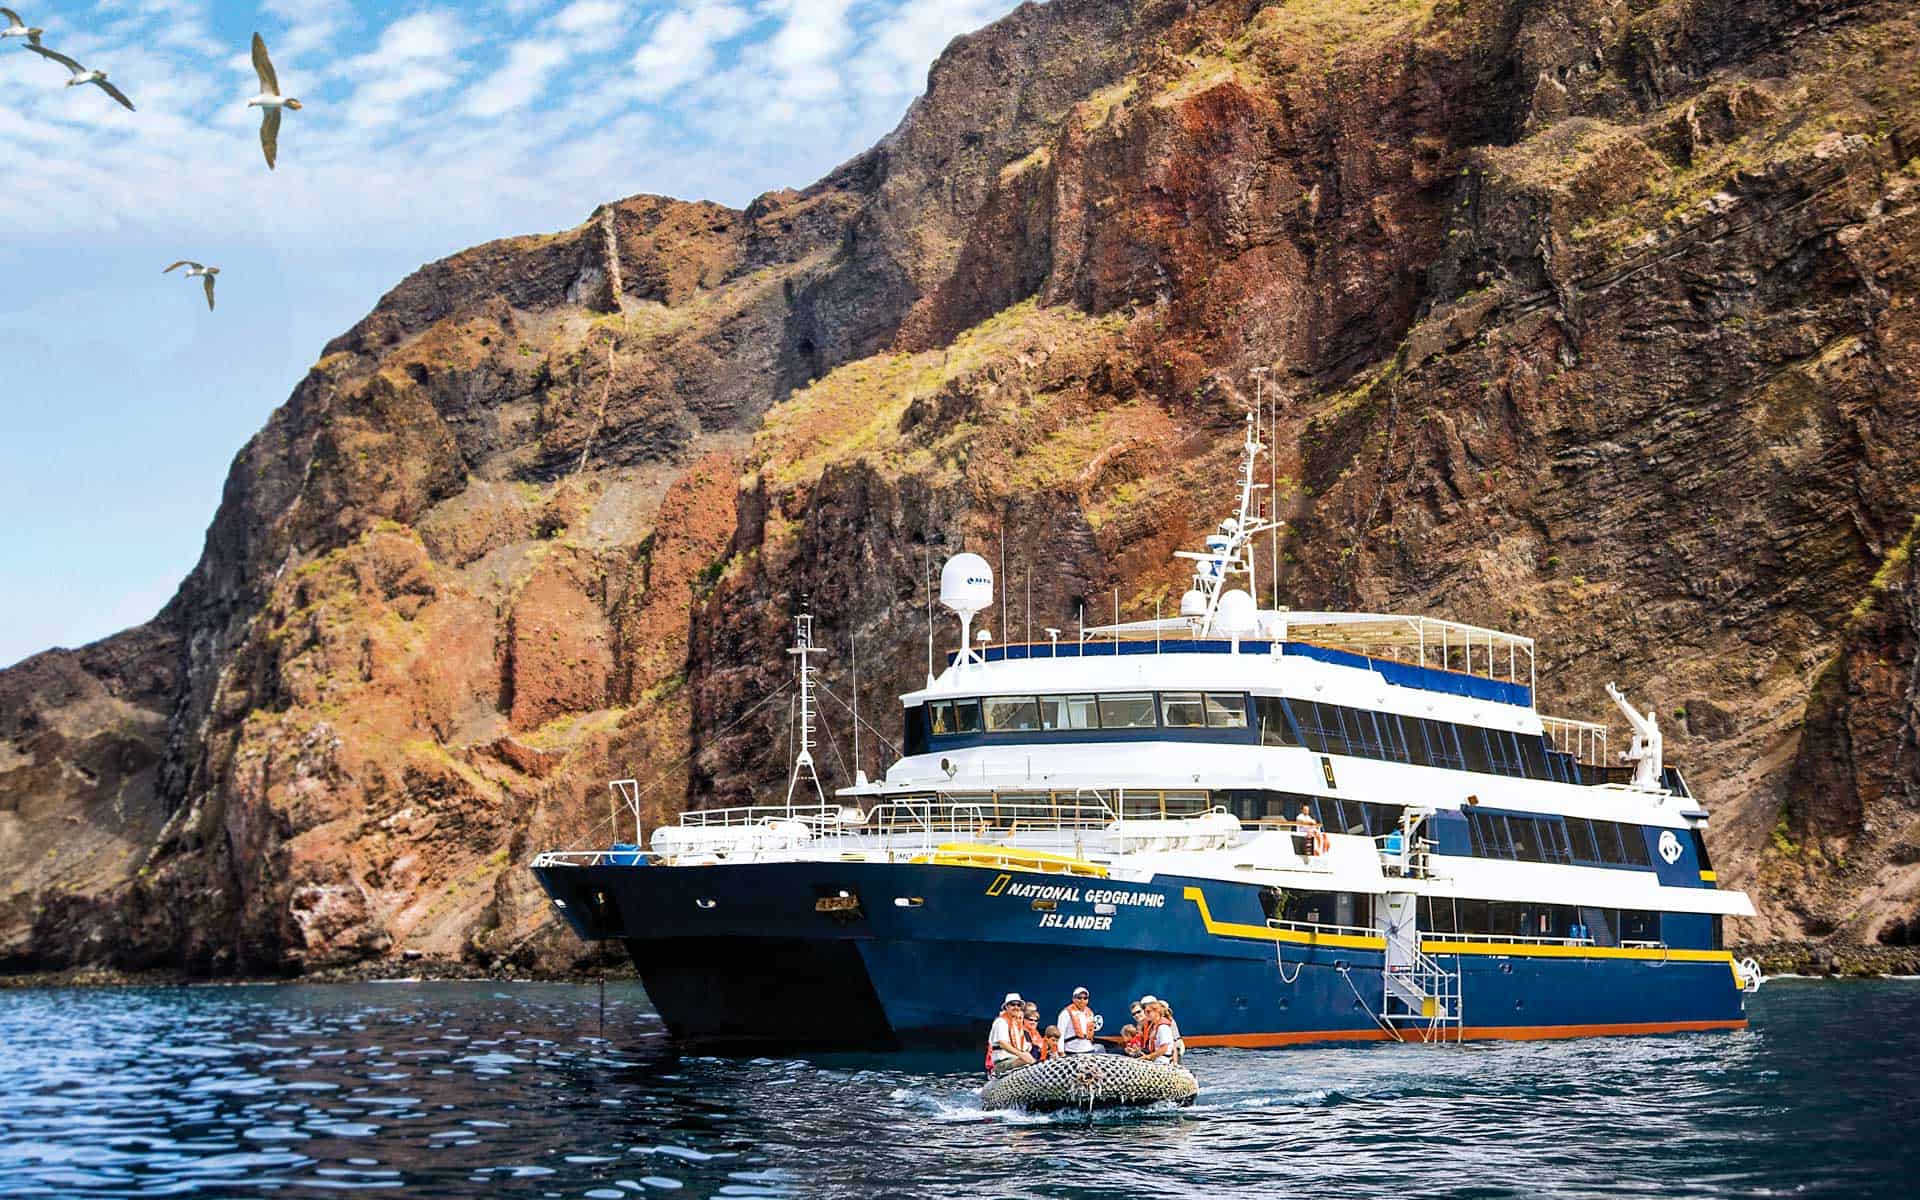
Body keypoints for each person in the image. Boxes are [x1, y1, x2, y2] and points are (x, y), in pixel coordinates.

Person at [986, 993, 1035, 1074]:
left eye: (1019, 1005)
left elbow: (1024, 1047)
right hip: (1002, 1063)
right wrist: (1022, 1055)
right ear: (1006, 1007)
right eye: (1013, 1004)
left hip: (1014, 1060)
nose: (1016, 1007)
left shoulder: (1017, 1025)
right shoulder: (1001, 1022)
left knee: (1031, 1060)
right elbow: (1003, 1044)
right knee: (1027, 1060)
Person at [1056, 986, 1103, 1054]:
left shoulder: (1090, 1012)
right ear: (1073, 999)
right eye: (1079, 998)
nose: (1082, 1000)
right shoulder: (1065, 1013)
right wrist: (1061, 1052)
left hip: (1089, 1050)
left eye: (1085, 998)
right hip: (1071, 1051)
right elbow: (1060, 1034)